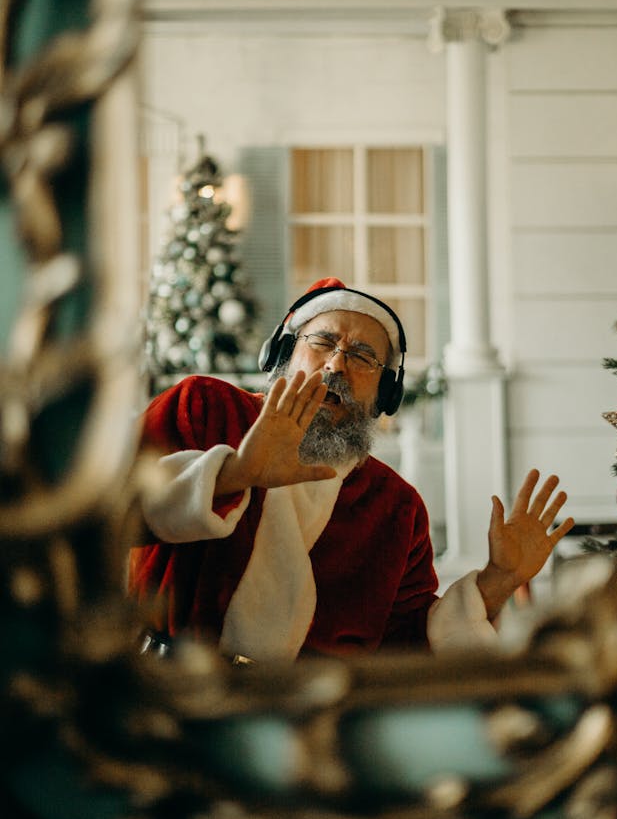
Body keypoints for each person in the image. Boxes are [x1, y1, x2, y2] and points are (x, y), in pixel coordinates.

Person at [129, 277, 574, 661]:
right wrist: (234, 474)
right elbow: (111, 511)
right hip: (168, 698)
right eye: (322, 342)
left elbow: (406, 647)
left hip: (307, 727)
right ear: (284, 354)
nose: (336, 364)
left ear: (385, 393)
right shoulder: (204, 407)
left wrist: (500, 580)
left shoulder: (395, 507)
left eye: (363, 356)